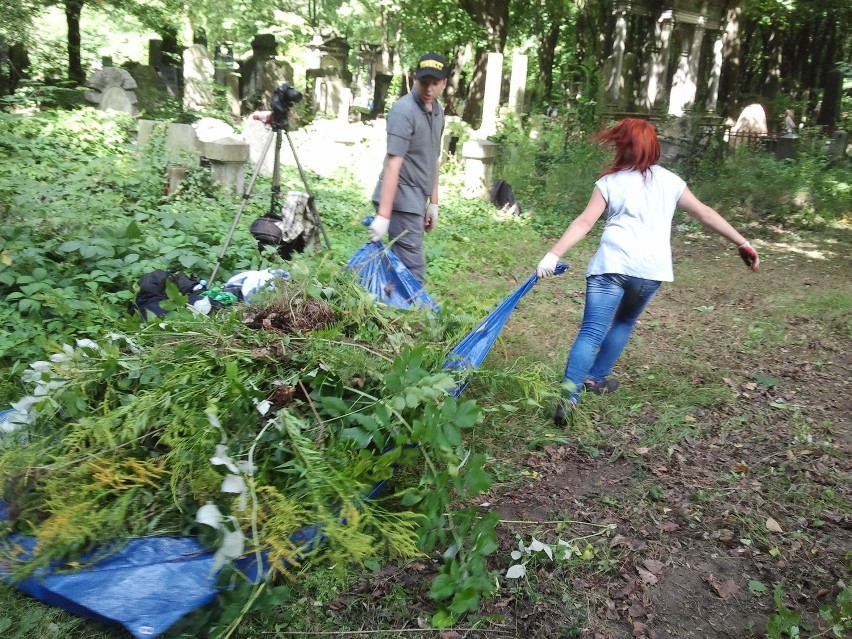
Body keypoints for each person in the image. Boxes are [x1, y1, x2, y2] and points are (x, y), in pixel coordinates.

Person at [536, 118, 759, 426]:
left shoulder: (610, 183)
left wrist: (553, 253)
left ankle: (569, 397)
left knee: (591, 332)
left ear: (621, 145)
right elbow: (704, 213)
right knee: (625, 321)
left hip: (611, 267)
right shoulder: (670, 181)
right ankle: (596, 379)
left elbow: (584, 222)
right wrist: (742, 242)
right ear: (653, 147)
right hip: (649, 271)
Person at [368, 52, 449, 283]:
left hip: (417, 199)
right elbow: (393, 165)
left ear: (444, 83)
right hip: (400, 201)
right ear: (415, 79)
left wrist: (433, 202)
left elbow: (433, 157)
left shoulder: (437, 111)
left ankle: (389, 308)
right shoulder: (404, 111)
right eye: (424, 82)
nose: (429, 89)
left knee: (401, 266)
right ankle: (411, 317)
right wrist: (384, 215)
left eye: (435, 83)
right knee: (412, 270)